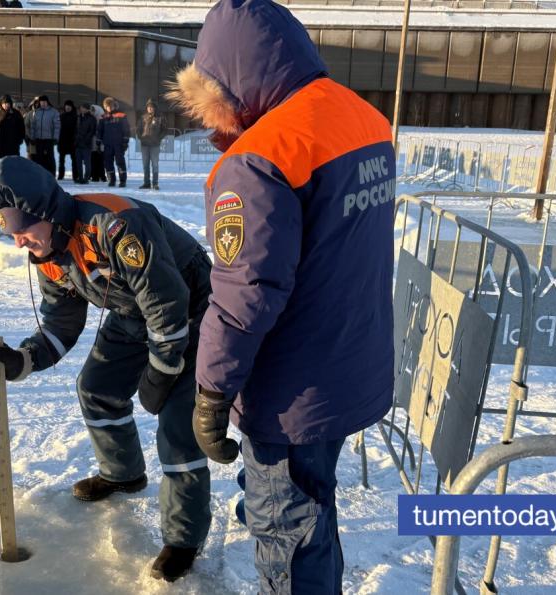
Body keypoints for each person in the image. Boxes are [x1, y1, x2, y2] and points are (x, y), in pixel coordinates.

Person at [167, 1, 395, 593]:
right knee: (311, 511)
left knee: (287, 531)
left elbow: (244, 293)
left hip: (293, 391)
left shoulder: (260, 157)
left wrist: (212, 391)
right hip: (351, 362)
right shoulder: (361, 116)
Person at [0, 156, 213, 582]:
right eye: (9, 233)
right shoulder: (50, 251)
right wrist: (20, 360)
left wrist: (161, 370)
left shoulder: (117, 227)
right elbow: (61, 323)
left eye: (21, 230)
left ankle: (183, 539)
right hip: (131, 313)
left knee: (176, 424)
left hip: (190, 313)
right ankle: (122, 474)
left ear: (45, 213)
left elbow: (167, 304)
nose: (18, 243)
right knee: (96, 387)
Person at [96, 97, 130, 188]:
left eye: (110, 106)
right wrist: (98, 143)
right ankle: (111, 180)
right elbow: (100, 131)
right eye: (107, 106)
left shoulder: (121, 115)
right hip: (107, 144)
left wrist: (125, 142)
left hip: (118, 144)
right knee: (108, 162)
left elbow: (126, 130)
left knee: (120, 162)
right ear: (105, 107)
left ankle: (123, 181)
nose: (109, 108)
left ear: (114, 106)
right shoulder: (103, 117)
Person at [136, 99, 166, 190]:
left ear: (154, 108)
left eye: (152, 107)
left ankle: (155, 183)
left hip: (155, 145)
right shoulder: (143, 117)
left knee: (155, 164)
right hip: (144, 144)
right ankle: (146, 183)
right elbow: (138, 129)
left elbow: (164, 130)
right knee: (145, 164)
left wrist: (158, 138)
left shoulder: (160, 117)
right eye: (149, 107)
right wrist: (141, 137)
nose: (150, 109)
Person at [27, 95, 60, 176]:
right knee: (39, 158)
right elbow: (33, 126)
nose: (43, 104)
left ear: (47, 102)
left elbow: (57, 126)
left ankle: (52, 174)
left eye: (44, 102)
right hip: (38, 139)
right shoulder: (36, 112)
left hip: (49, 139)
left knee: (50, 158)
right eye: (41, 102)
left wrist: (55, 138)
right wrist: (32, 137)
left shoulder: (54, 112)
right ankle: (40, 174)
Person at [0, 94, 25, 159]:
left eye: (7, 103)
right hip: (2, 142)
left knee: (14, 160)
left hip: (14, 142)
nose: (5, 105)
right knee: (3, 162)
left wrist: (21, 138)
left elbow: (22, 127)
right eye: (3, 103)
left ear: (10, 103)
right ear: (1, 104)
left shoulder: (16, 113)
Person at [73, 102, 96, 185]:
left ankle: (86, 178)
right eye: (81, 108)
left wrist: (86, 139)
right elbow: (75, 129)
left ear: (87, 109)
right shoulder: (78, 117)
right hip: (78, 143)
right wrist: (75, 139)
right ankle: (80, 177)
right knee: (78, 162)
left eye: (83, 108)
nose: (81, 109)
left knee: (87, 162)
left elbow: (92, 131)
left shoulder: (92, 118)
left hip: (86, 143)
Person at [57, 99, 77, 180]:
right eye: (66, 106)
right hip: (62, 141)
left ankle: (75, 175)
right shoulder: (61, 116)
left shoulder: (76, 116)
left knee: (74, 160)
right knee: (61, 160)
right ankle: (60, 175)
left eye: (69, 106)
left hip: (73, 141)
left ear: (72, 107)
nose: (68, 108)